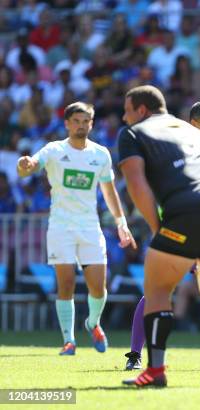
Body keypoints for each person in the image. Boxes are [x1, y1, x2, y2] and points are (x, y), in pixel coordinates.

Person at [118, 86, 200, 387]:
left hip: (184, 211)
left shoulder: (134, 133)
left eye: (127, 110)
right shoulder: (195, 136)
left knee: (158, 289)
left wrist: (156, 229)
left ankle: (155, 371)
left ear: (140, 110)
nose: (125, 117)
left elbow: (137, 184)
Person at [16, 102, 136, 355]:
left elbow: (109, 190)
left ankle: (92, 323)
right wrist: (23, 164)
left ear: (91, 124)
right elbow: (29, 168)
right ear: (67, 123)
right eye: (77, 121)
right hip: (61, 228)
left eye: (86, 122)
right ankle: (69, 340)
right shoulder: (54, 150)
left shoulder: (100, 154)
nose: (81, 126)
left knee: (98, 288)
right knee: (66, 285)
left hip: (90, 228)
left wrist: (121, 222)